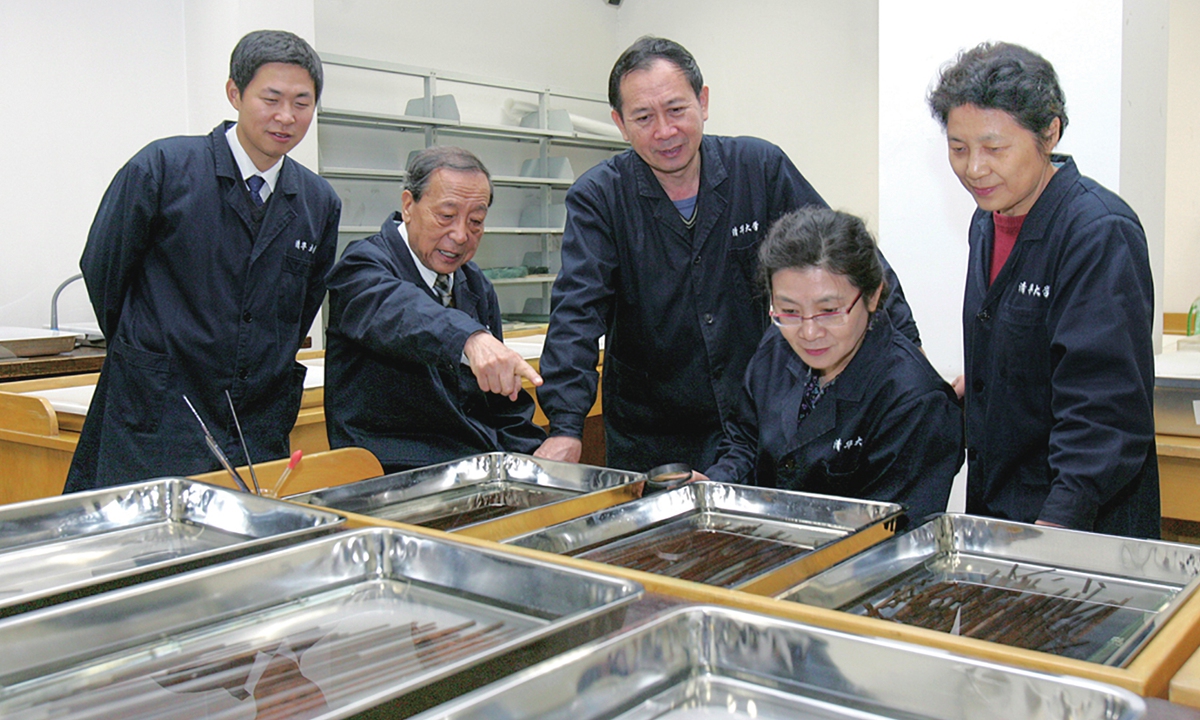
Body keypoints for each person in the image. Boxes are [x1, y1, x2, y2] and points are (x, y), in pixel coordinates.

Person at [534, 35, 920, 472]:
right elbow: (576, 313)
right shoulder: (599, 197)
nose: (665, 131)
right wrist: (565, 426)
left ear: (703, 101)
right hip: (653, 434)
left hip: (761, 419)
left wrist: (909, 356)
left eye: (677, 109)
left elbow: (848, 257)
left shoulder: (759, 168)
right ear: (620, 124)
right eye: (643, 117)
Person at [65, 30, 341, 492]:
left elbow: (302, 306)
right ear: (235, 92)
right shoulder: (162, 168)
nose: (285, 117)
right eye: (271, 98)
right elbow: (104, 270)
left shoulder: (319, 201)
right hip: (158, 412)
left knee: (242, 551)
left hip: (255, 421)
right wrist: (149, 357)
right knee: (144, 549)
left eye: (302, 102)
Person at [928, 42, 1159, 538]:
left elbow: (1106, 412)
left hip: (1075, 523)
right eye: (958, 147)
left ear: (1049, 132)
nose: (974, 168)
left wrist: (1053, 530)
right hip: (1001, 505)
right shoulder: (986, 223)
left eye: (994, 148)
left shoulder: (1097, 231)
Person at [700, 208, 961, 523]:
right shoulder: (778, 346)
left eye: (829, 311)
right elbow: (744, 442)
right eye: (789, 310)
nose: (809, 332)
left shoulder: (915, 403)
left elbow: (894, 534)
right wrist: (714, 487)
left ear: (873, 295)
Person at [324, 147, 546, 473]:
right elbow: (400, 311)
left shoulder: (474, 284)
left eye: (476, 222)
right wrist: (470, 338)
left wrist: (537, 463)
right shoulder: (362, 266)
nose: (460, 235)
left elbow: (503, 404)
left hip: (475, 469)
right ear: (408, 205)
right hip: (392, 474)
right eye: (445, 216)